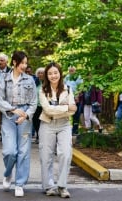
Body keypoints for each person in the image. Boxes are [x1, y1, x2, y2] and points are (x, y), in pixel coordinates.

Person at [0, 50, 37, 197]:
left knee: (23, 152)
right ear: (14, 62)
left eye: (26, 63)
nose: (24, 66)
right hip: (9, 116)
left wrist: (26, 115)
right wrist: (13, 110)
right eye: (22, 63)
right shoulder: (2, 78)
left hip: (25, 117)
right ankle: (7, 174)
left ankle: (20, 184)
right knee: (9, 151)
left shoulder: (30, 80)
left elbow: (33, 102)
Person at [39, 62, 77, 198]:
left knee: (65, 154)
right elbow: (47, 110)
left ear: (60, 74)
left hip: (64, 125)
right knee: (46, 156)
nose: (53, 76)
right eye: (50, 73)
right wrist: (66, 108)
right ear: (46, 76)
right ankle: (49, 186)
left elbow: (74, 109)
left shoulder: (68, 88)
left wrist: (61, 109)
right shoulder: (43, 90)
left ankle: (62, 186)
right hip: (47, 124)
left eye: (55, 73)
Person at [64, 66, 83, 135]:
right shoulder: (67, 77)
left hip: (76, 98)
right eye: (70, 70)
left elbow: (81, 87)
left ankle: (75, 130)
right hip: (68, 98)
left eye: (72, 70)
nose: (71, 72)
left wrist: (77, 96)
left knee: (76, 114)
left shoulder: (78, 77)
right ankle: (66, 129)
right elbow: (64, 86)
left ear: (75, 71)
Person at [32, 67, 45, 144]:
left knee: (43, 121)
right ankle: (38, 135)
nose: (40, 74)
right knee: (35, 121)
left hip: (44, 106)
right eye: (39, 73)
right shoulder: (35, 82)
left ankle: (41, 136)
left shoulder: (47, 83)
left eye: (42, 73)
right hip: (36, 105)